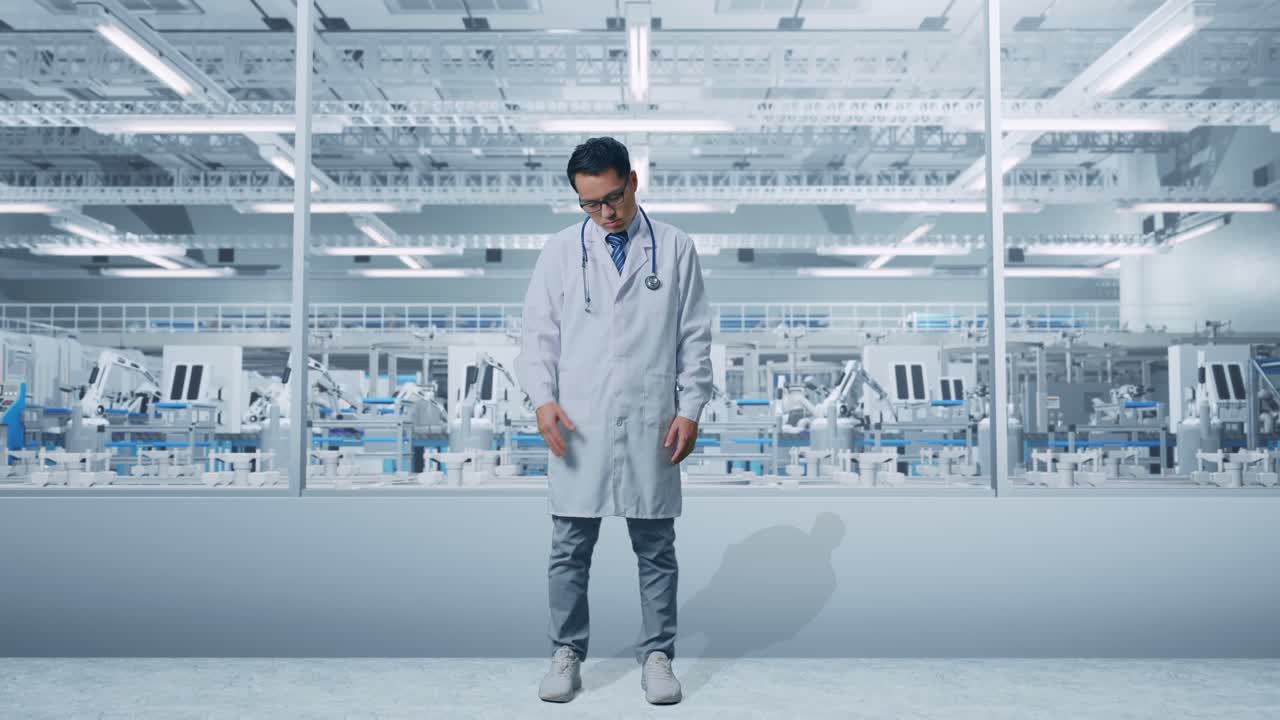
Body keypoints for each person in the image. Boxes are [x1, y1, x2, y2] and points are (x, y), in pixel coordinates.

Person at [514, 136, 713, 705]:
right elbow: (538, 337)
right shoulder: (558, 252)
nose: (605, 213)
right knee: (569, 544)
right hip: (579, 419)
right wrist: (542, 399)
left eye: (613, 198)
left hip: (652, 417)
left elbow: (694, 337)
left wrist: (690, 407)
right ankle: (567, 653)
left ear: (633, 180)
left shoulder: (675, 248)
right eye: (590, 205)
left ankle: (657, 655)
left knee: (655, 545)